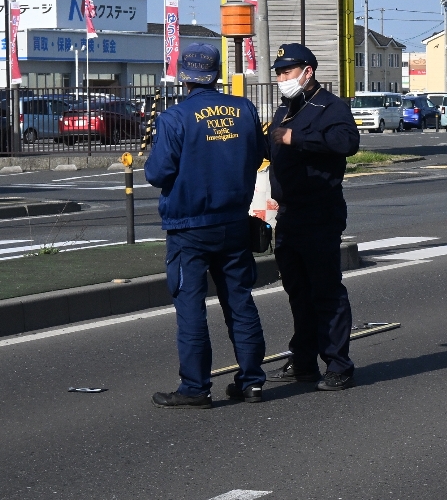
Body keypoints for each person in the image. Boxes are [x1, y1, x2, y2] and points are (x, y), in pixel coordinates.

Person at [145, 43, 268, 409]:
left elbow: (156, 173)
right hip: (234, 221)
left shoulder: (174, 118)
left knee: (191, 306)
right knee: (240, 300)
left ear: (184, 75)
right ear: (216, 73)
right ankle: (252, 381)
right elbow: (260, 154)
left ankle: (196, 387)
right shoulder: (244, 109)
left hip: (189, 226)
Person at [264, 44, 361, 390]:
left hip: (320, 212)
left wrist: (297, 138)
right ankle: (303, 360)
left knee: (325, 290)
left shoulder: (331, 107)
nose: (281, 79)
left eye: (287, 72)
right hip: (287, 214)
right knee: (297, 291)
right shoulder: (284, 110)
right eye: (278, 73)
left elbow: (347, 141)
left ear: (308, 71)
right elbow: (269, 150)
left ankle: (339, 363)